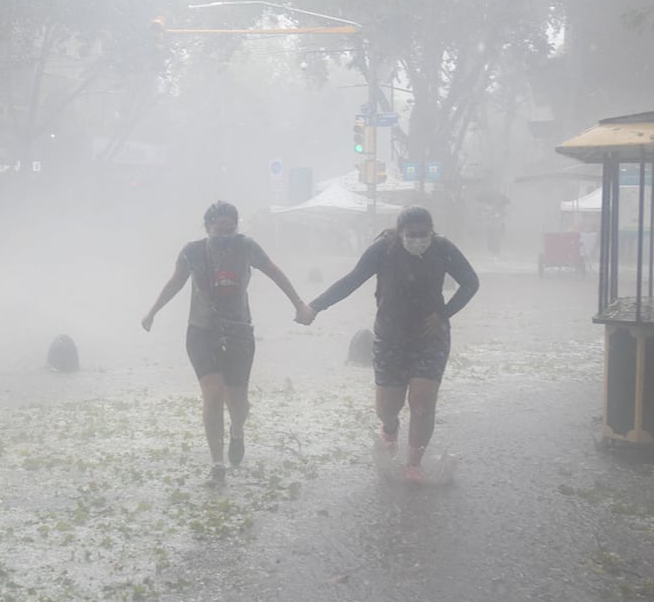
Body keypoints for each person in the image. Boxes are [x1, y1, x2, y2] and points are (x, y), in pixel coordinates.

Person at [296, 205, 479, 481]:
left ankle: (413, 464)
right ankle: (390, 428)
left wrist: (443, 314)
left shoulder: (443, 249)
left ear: (431, 232)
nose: (418, 239)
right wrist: (315, 306)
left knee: (422, 401)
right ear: (400, 232)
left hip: (430, 336)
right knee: (386, 408)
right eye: (412, 234)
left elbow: (471, 283)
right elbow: (351, 281)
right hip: (390, 336)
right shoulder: (384, 250)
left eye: (424, 234)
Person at [142, 201, 315, 485]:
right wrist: (152, 312)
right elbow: (175, 282)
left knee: (237, 402)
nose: (224, 235)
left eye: (230, 229)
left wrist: (299, 304)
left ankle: (237, 431)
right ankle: (217, 463)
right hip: (201, 331)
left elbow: (275, 272)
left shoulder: (247, 247)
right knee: (212, 393)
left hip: (238, 332)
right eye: (217, 229)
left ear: (237, 227)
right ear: (207, 227)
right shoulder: (192, 252)